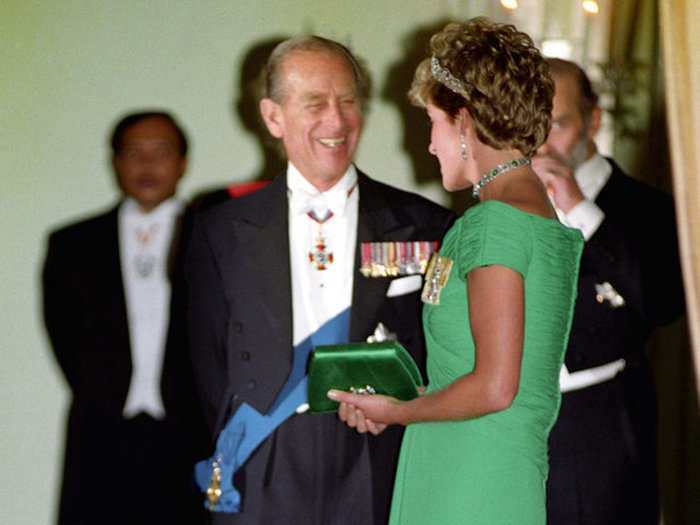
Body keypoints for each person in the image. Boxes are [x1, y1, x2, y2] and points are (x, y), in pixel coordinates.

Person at [184, 36, 455, 524]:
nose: (337, 120)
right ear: (273, 117)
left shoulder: (424, 225)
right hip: (265, 456)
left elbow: (442, 348)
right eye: (315, 104)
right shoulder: (222, 230)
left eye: (348, 101)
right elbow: (205, 361)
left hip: (379, 454)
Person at [329, 18, 584, 524]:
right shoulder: (531, 213)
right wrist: (401, 401)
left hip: (471, 476)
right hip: (484, 463)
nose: (429, 144)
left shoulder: (494, 224)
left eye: (432, 123)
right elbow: (484, 379)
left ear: (464, 122)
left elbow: (494, 388)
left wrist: (399, 413)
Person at [531, 58, 685, 525]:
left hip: (602, 433)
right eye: (531, 125)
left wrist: (578, 207)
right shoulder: (512, 202)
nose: (541, 143)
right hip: (520, 430)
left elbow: (661, 302)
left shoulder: (648, 209)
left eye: (557, 124)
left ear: (593, 121)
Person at [42, 111, 207, 524]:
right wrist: (104, 390)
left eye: (162, 152)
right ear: (115, 162)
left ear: (183, 163)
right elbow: (63, 336)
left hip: (191, 433)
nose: (147, 164)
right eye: (134, 152)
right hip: (102, 433)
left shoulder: (214, 237)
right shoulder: (72, 245)